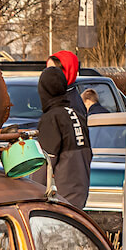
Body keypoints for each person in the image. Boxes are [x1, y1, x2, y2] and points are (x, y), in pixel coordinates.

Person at [34, 65, 92, 209]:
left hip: (60, 201)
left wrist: (33, 193)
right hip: (79, 197)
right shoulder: (76, 115)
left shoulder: (52, 119)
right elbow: (87, 155)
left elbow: (45, 163)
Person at [47, 51, 90, 118]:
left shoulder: (70, 104)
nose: (48, 74)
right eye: (47, 70)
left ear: (66, 72)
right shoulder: (59, 96)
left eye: (53, 70)